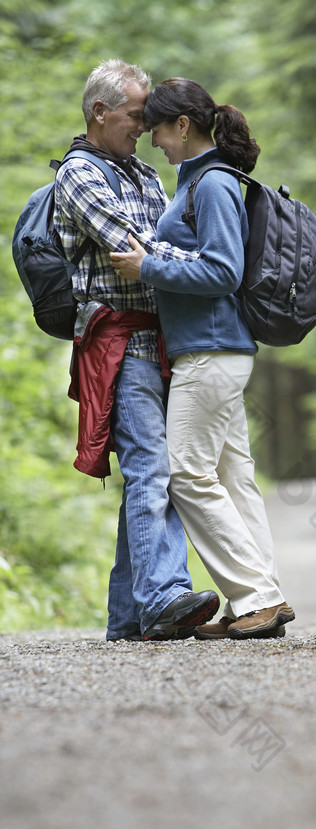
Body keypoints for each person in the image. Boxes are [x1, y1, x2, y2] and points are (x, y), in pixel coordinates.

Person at [109, 78, 294, 641]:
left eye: (159, 130)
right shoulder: (199, 182)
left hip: (209, 353)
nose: (153, 140)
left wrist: (149, 269)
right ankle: (262, 600)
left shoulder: (210, 184)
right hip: (216, 352)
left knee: (186, 474)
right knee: (234, 478)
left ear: (183, 127)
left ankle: (257, 596)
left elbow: (222, 272)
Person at [54, 60, 220, 641]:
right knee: (152, 467)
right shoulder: (79, 174)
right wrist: (209, 269)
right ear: (100, 112)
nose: (145, 125)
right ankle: (164, 596)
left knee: (151, 471)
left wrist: (186, 263)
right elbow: (136, 245)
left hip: (160, 339)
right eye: (134, 115)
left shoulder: (147, 176)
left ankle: (129, 617)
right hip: (119, 343)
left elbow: (167, 245)